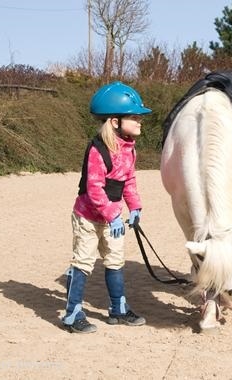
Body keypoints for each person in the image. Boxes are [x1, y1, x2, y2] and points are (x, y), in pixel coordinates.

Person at [62, 81, 152, 334]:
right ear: (114, 121)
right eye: (134, 117)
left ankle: (118, 309)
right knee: (84, 261)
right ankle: (72, 314)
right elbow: (94, 188)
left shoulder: (129, 149)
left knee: (115, 260)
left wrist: (135, 207)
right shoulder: (98, 150)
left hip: (111, 217)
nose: (139, 121)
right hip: (88, 217)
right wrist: (113, 215)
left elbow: (129, 180)